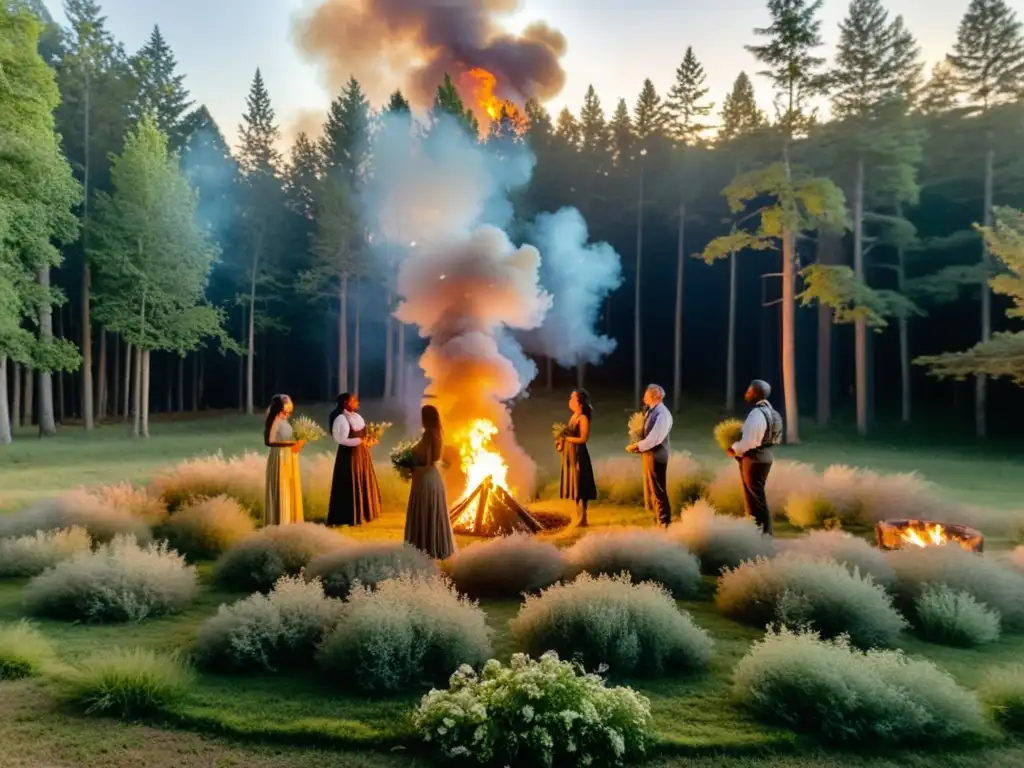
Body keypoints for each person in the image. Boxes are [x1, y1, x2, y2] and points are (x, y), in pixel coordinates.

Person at [727, 379, 783, 536]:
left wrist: (734, 449)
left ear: (757, 393)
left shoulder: (757, 413)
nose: (747, 393)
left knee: (753, 499)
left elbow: (751, 441)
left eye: (749, 391)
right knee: (757, 497)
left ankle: (759, 534)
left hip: (754, 458)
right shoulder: (773, 413)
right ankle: (764, 533)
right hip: (766, 456)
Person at [404, 404, 456, 559]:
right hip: (433, 476)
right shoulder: (438, 434)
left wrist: (409, 460)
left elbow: (425, 457)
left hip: (425, 477)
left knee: (425, 509)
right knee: (432, 511)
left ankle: (424, 545)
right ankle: (433, 544)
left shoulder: (428, 435)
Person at [327, 393, 382, 527]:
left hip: (361, 453)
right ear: (346, 403)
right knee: (349, 481)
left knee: (363, 478)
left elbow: (363, 434)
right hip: (348, 455)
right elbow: (340, 438)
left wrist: (369, 441)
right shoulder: (338, 417)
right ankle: (347, 515)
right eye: (354, 400)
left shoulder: (357, 417)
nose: (357, 403)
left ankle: (365, 513)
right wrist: (359, 441)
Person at [627, 384, 673, 527]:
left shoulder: (662, 413)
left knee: (658, 489)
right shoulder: (653, 411)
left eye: (647, 396)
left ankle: (664, 521)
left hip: (657, 455)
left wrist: (637, 446)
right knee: (652, 488)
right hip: (650, 454)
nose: (644, 399)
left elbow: (655, 438)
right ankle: (657, 519)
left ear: (656, 397)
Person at [557, 389, 597, 527]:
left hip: (579, 454)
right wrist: (561, 441)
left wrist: (567, 438)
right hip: (571, 454)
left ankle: (583, 517)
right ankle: (578, 515)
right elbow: (568, 434)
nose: (570, 401)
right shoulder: (574, 416)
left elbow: (583, 438)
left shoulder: (583, 418)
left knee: (580, 485)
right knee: (574, 485)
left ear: (579, 402)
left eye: (572, 398)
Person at [264, 394, 305, 526]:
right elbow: (269, 441)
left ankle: (293, 520)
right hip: (279, 456)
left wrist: (299, 443)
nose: (287, 412)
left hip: (290, 457)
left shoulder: (285, 421)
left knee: (291, 485)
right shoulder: (275, 420)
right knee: (282, 486)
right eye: (285, 409)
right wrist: (290, 444)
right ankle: (282, 520)